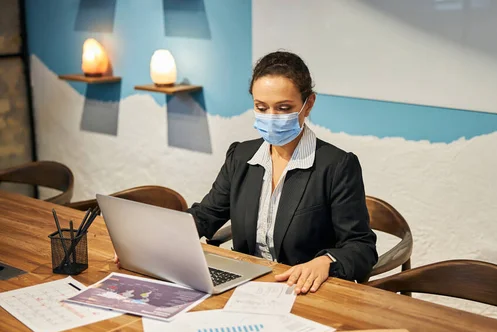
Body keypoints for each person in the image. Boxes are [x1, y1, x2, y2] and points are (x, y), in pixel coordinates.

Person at [117, 51, 377, 294]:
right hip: (244, 286)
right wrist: (151, 244)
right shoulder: (241, 156)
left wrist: (326, 262)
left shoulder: (337, 166)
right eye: (262, 107)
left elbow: (361, 247)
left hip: (302, 291)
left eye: (284, 108)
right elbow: (206, 215)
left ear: (308, 104)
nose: (271, 116)